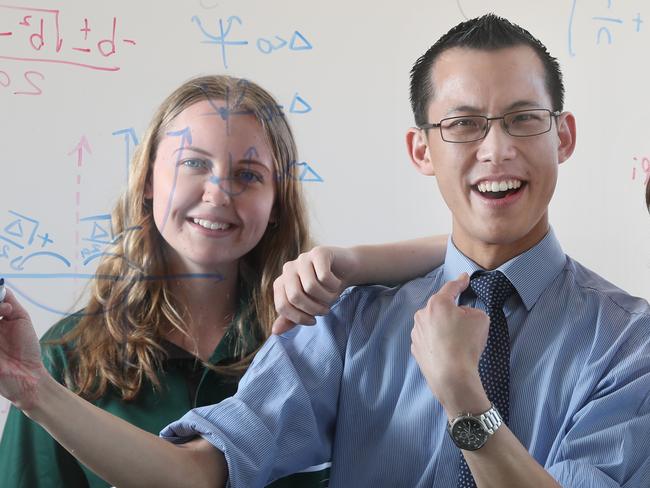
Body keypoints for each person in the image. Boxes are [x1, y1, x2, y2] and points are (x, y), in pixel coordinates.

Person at [1, 13, 649, 488]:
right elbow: (197, 476)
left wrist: (462, 394)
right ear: (421, 150)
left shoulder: (630, 342)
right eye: (462, 125)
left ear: (562, 136)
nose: (496, 148)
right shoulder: (345, 320)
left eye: (523, 119)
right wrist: (35, 393)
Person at [0, 74, 448, 487]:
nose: (217, 194)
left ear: (277, 201)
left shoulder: (320, 341)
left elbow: (484, 251)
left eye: (248, 175)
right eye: (193, 163)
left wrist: (353, 261)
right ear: (148, 179)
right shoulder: (65, 361)